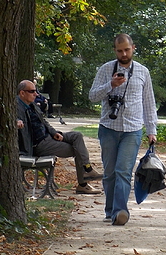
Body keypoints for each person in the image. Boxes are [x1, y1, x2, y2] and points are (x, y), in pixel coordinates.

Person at [89, 34, 158, 225]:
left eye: (127, 49)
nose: (124, 53)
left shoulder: (143, 72)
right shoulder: (105, 70)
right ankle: (110, 210)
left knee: (123, 171)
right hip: (109, 128)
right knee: (110, 172)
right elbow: (93, 96)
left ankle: (121, 211)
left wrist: (152, 130)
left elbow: (149, 103)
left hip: (133, 129)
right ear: (115, 50)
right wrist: (111, 84)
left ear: (133, 48)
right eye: (120, 50)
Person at [17, 80, 102, 194]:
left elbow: (44, 122)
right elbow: (10, 118)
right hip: (39, 145)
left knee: (77, 136)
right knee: (78, 150)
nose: (36, 94)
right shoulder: (16, 107)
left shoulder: (32, 105)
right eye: (32, 91)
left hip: (48, 137)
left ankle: (87, 170)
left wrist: (54, 132)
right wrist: (16, 121)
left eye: (36, 91)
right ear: (22, 93)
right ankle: (83, 182)